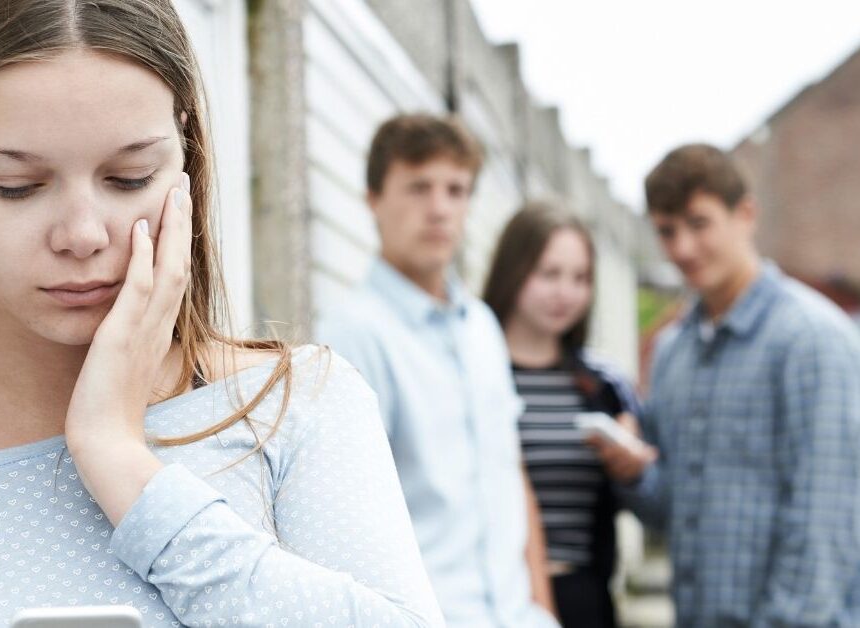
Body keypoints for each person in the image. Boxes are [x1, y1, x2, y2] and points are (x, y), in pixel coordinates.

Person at [0, 2, 444, 626]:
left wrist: (118, 459)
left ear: (185, 158)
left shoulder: (293, 407)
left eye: (129, 177)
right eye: (17, 188)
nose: (83, 233)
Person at [590, 143, 860, 626]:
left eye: (698, 223)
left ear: (745, 215)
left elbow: (827, 526)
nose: (682, 249)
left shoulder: (812, 339)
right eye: (667, 231)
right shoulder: (674, 352)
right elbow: (674, 513)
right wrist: (632, 472)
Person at [316, 113, 559, 628]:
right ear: (374, 200)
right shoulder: (351, 336)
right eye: (419, 187)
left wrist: (541, 608)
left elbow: (510, 472)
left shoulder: (484, 328)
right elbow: (340, 517)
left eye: (456, 189)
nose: (439, 209)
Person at [481, 202, 642, 628]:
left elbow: (647, 500)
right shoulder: (472, 374)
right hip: (490, 598)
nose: (564, 293)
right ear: (514, 270)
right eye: (549, 274)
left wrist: (633, 468)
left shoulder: (603, 386)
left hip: (583, 598)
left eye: (580, 278)